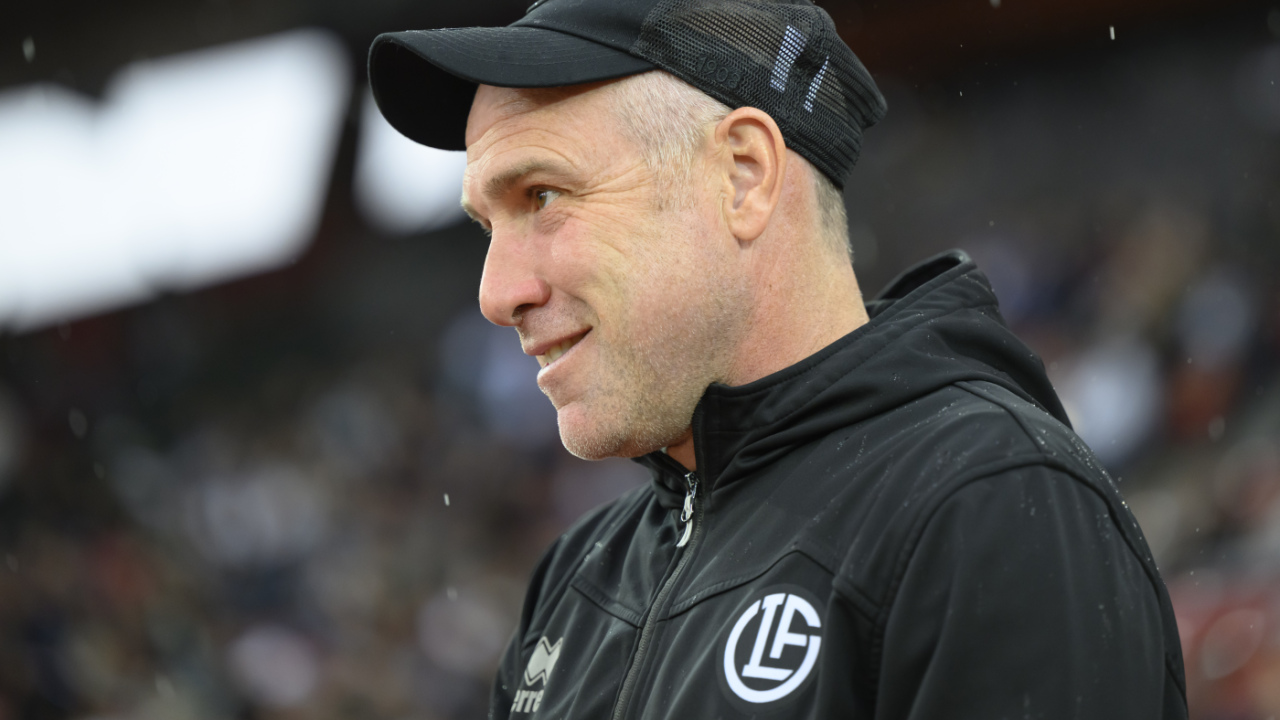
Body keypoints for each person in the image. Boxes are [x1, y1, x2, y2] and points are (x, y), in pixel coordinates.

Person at [367, 0, 1188, 717]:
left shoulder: (988, 504)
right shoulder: (577, 578)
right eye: (489, 226)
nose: (496, 294)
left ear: (744, 175)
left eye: (543, 196)